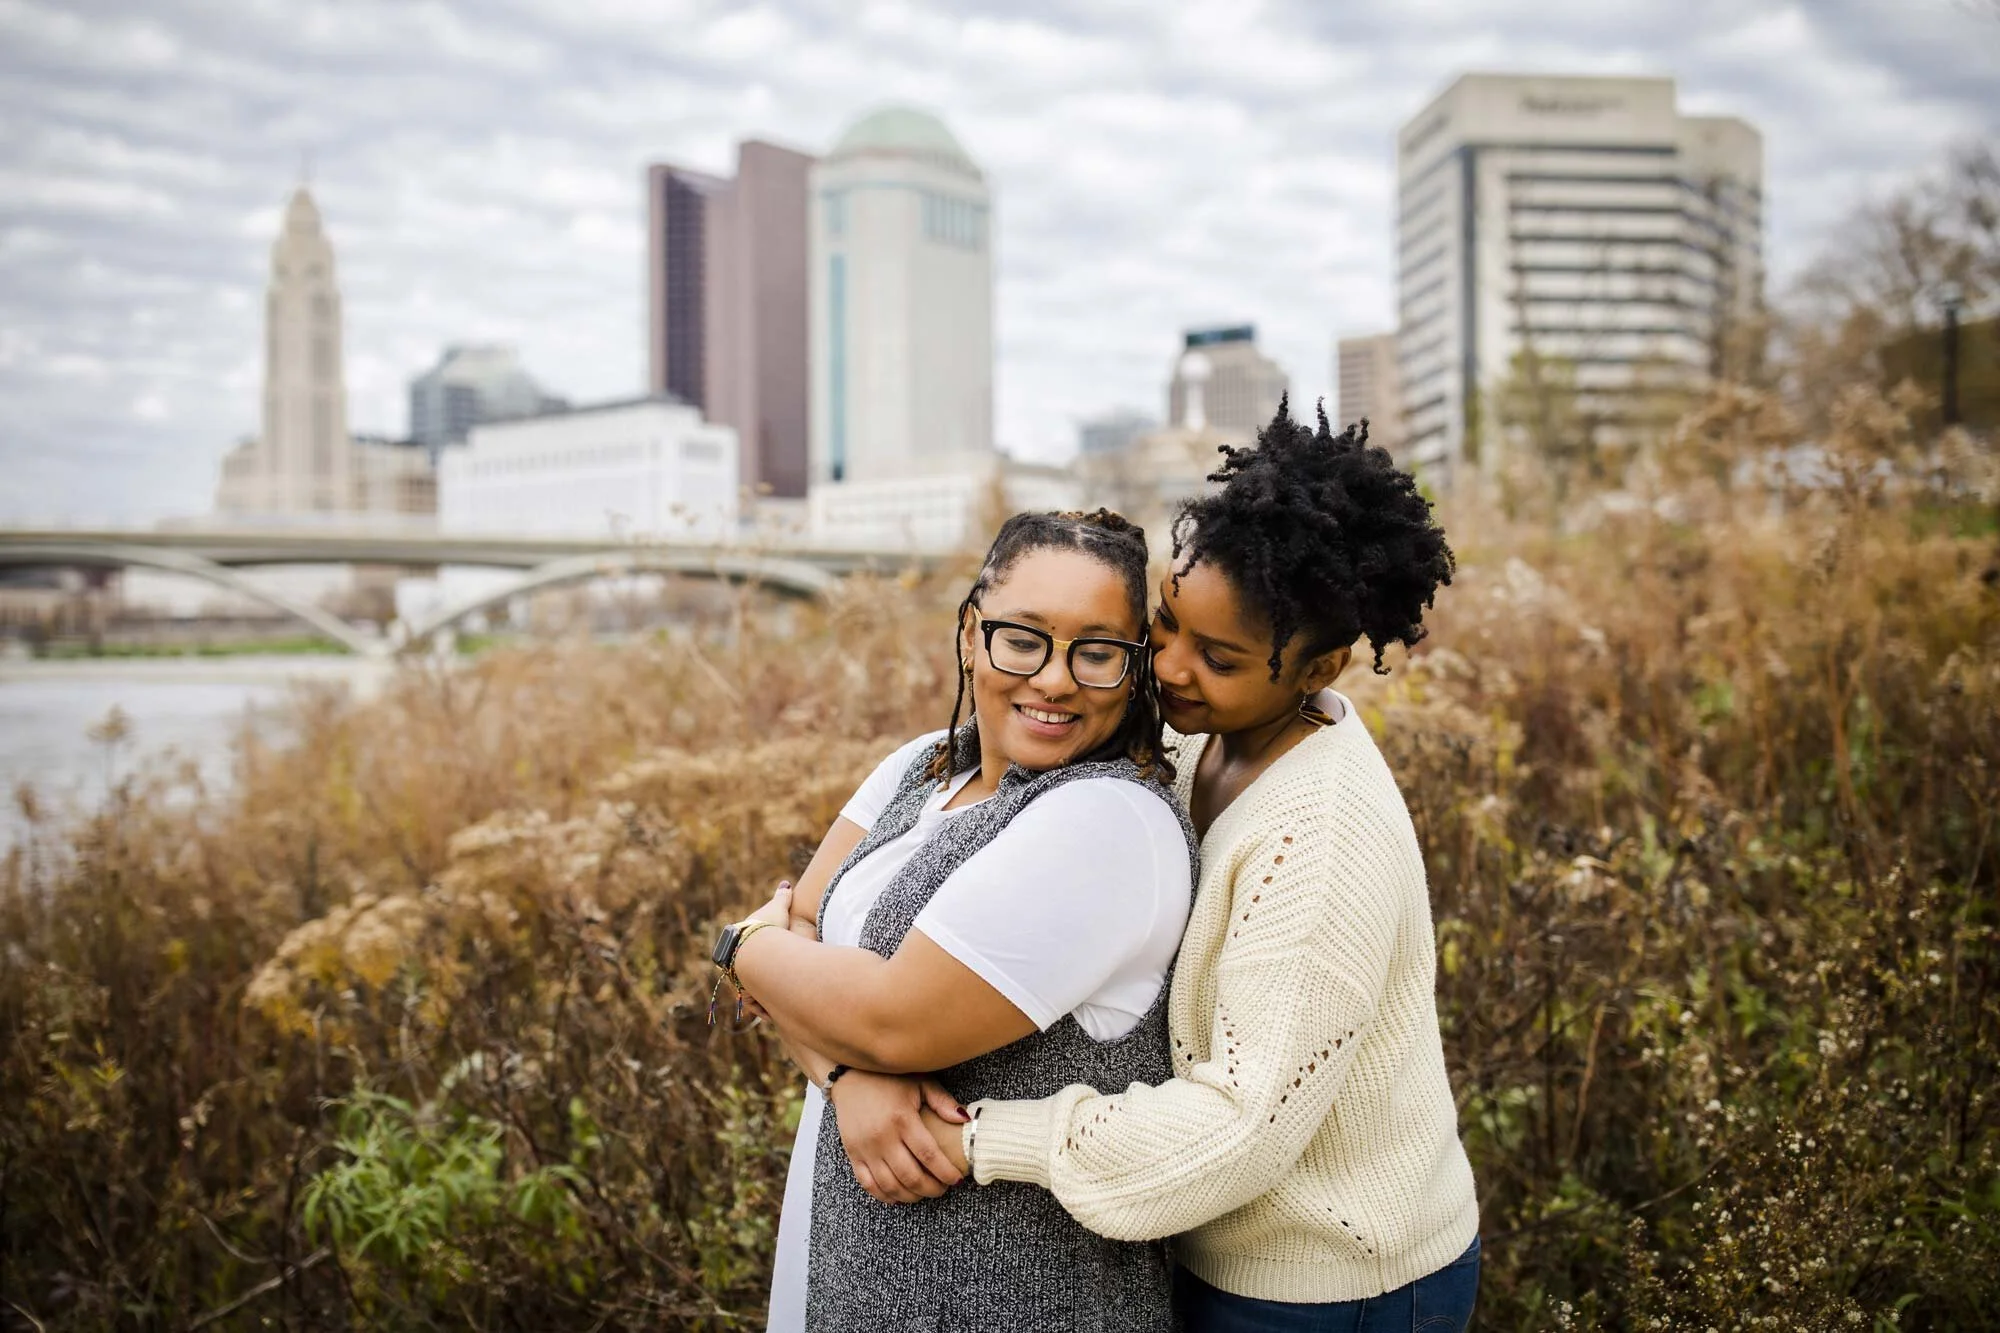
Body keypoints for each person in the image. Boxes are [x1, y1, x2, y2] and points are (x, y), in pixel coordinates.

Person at [916, 403, 1481, 1331]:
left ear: (1318, 669)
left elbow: (1239, 1127)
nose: (1168, 668)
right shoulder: (1197, 741)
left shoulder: (1318, 841)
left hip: (1334, 1283)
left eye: (1216, 658)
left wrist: (982, 1137)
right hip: (1215, 1244)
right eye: (1167, 622)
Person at [714, 509, 1198, 1332]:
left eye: (1096, 650)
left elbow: (889, 1019)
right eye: (1023, 638)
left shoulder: (1112, 825)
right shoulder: (922, 765)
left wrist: (741, 944)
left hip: (1024, 1300)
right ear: (973, 632)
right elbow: (810, 950)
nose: (1054, 678)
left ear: (1134, 667)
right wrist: (845, 1078)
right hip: (849, 1259)